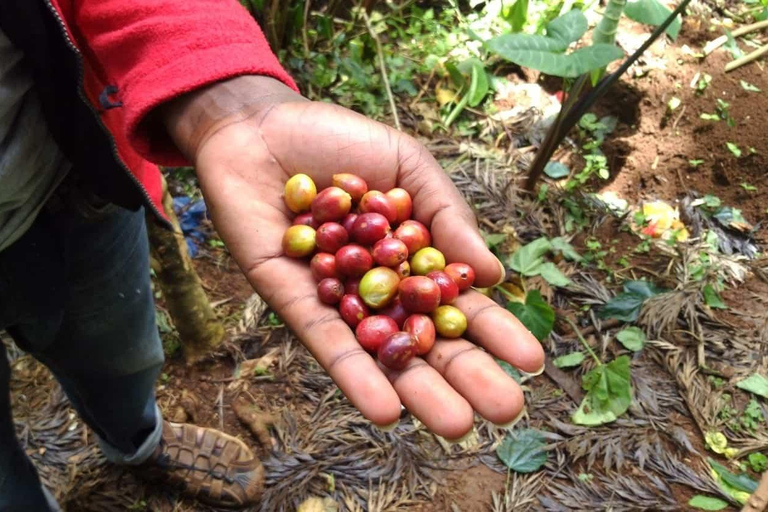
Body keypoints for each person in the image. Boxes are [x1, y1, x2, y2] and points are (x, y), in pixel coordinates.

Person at [0, 0, 545, 510]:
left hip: (69, 183)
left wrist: (226, 98)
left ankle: (138, 439)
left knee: (119, 355)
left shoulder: (367, 251)